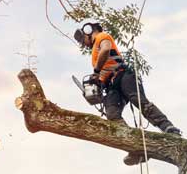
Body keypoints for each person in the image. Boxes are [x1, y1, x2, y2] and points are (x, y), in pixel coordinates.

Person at [74, 22, 181, 165]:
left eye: (83, 40)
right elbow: (102, 71)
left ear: (88, 32)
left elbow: (106, 50)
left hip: (123, 75)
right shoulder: (93, 52)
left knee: (137, 99)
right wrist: (97, 84)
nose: (84, 44)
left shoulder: (102, 36)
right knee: (112, 115)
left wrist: (96, 72)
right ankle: (136, 147)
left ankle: (168, 128)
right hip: (111, 86)